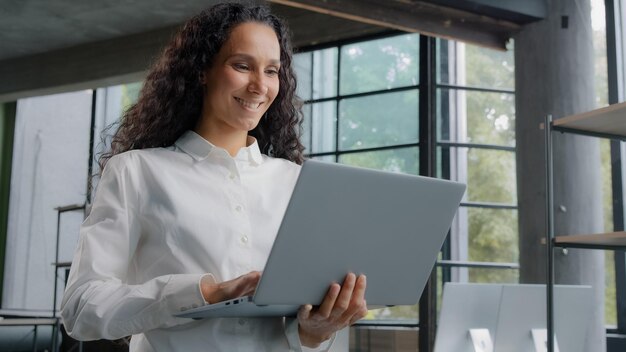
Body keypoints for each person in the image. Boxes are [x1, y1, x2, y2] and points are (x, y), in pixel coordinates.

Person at [60, 2, 368, 351]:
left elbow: (302, 328)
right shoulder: (136, 172)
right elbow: (80, 307)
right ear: (202, 70)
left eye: (271, 71)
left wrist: (315, 332)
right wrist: (204, 293)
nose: (259, 86)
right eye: (242, 66)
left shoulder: (296, 182)